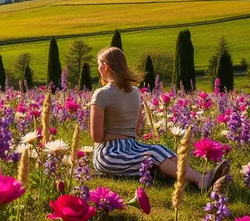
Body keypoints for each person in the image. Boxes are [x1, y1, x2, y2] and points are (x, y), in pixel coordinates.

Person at [88, 47, 228, 190]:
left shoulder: (101, 94)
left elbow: (97, 137)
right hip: (130, 146)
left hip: (108, 155)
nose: (98, 68)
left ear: (106, 66)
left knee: (157, 150)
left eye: (99, 64)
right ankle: (200, 178)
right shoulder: (135, 92)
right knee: (156, 151)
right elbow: (136, 131)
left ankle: (200, 178)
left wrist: (116, 136)